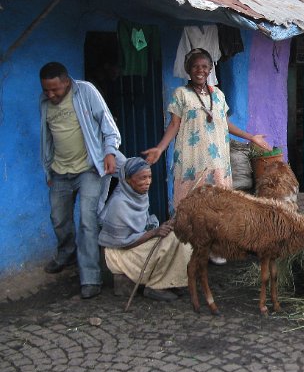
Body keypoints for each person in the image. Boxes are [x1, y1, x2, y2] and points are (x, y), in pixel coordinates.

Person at [142, 48, 270, 263]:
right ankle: (189, 250)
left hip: (217, 160)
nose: (200, 70)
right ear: (188, 70)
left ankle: (216, 248)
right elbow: (174, 124)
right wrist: (160, 148)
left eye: (204, 67)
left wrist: (251, 137)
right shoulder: (181, 95)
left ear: (210, 69)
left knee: (218, 206)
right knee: (190, 205)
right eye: (195, 67)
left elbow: (225, 123)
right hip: (192, 161)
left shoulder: (218, 95)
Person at [39, 61, 121, 299]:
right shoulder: (43, 102)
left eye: (55, 89)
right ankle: (66, 253)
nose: (50, 94)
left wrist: (109, 152)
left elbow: (109, 125)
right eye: (46, 90)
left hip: (88, 169)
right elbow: (48, 137)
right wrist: (48, 169)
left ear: (67, 82)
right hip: (59, 171)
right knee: (59, 218)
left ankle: (90, 277)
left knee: (87, 221)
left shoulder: (86, 91)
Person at [99, 156, 191, 302]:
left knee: (181, 236)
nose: (147, 182)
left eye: (149, 177)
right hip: (120, 254)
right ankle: (155, 286)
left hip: (135, 245)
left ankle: (170, 280)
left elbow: (144, 227)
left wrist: (164, 226)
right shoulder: (119, 204)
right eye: (142, 178)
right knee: (170, 240)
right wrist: (154, 233)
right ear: (128, 180)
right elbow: (122, 243)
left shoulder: (140, 197)